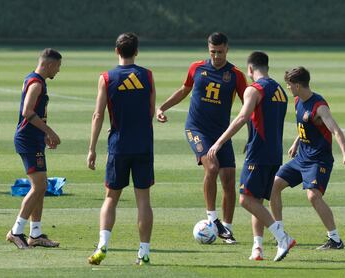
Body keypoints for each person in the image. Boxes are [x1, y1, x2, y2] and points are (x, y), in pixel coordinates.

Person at [156, 32, 247, 244]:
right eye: (213, 52)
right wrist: (162, 107)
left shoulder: (235, 75)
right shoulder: (196, 68)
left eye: (220, 52)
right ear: (208, 49)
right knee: (212, 167)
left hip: (221, 134)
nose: (216, 56)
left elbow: (248, 105)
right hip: (196, 129)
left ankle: (228, 230)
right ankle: (212, 219)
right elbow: (183, 90)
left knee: (229, 179)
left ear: (227, 49)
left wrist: (252, 135)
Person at [208, 51, 296, 262]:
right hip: (274, 152)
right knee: (256, 201)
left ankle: (282, 237)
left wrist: (219, 142)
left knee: (245, 200)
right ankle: (258, 248)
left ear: (249, 69)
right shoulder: (280, 90)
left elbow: (242, 117)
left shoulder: (254, 89)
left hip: (259, 153)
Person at [87, 33, 156, 266]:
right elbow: (150, 111)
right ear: (136, 51)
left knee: (111, 198)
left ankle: (102, 245)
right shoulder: (147, 75)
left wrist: (92, 148)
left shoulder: (106, 77)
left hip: (119, 145)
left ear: (116, 51)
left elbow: (98, 115)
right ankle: (144, 252)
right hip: (143, 144)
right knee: (143, 200)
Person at [270, 66, 345, 251]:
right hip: (301, 158)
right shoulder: (298, 100)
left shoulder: (320, 107)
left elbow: (336, 130)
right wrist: (296, 142)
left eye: (289, 85)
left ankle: (335, 240)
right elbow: (305, 124)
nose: (288, 88)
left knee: (313, 196)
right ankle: (280, 234)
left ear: (298, 85)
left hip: (318, 160)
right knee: (274, 185)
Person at [8, 48, 62, 249]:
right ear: (48, 64)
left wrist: (43, 135)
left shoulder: (35, 80)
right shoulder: (37, 83)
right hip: (28, 139)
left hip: (34, 139)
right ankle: (16, 231)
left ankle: (35, 234)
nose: (58, 70)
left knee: (41, 185)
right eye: (57, 66)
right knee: (39, 186)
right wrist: (49, 131)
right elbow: (27, 112)